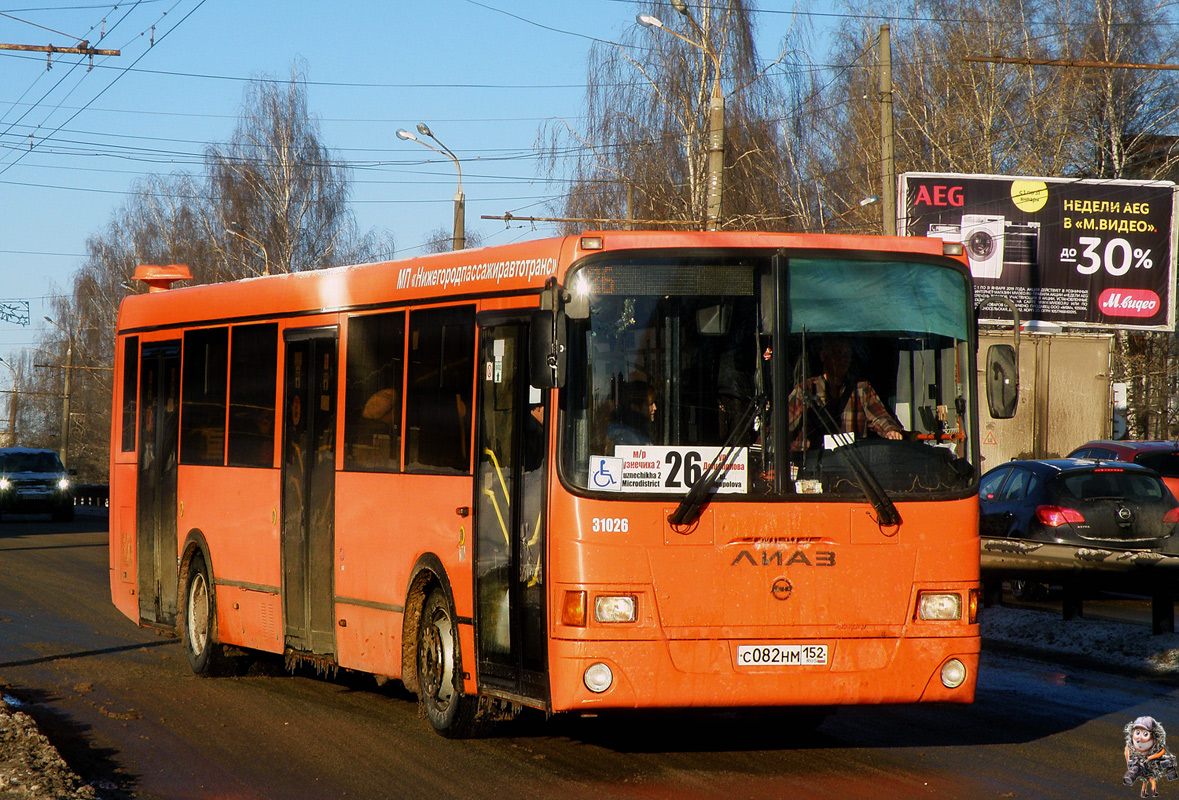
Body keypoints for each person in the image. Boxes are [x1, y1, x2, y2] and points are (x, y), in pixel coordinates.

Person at [787, 337, 903, 450]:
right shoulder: (806, 390)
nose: (844, 358)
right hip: (813, 464)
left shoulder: (861, 389)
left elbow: (880, 417)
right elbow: (781, 426)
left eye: (847, 354)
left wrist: (890, 430)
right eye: (838, 353)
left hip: (851, 464)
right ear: (823, 356)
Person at [607, 379, 657, 446]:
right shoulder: (630, 437)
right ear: (635, 407)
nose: (655, 408)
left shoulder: (633, 433)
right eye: (649, 405)